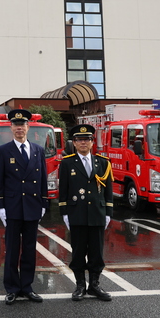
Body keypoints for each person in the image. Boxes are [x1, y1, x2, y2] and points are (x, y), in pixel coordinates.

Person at [0, 109, 48, 305]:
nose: (19, 128)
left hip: (32, 206)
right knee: (12, 249)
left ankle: (27, 287)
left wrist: (44, 201)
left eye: (22, 125)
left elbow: (43, 179)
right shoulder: (3, 151)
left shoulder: (38, 150)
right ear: (11, 127)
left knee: (30, 249)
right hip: (13, 207)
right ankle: (12, 288)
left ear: (28, 127)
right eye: (15, 125)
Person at [59, 124, 114, 302]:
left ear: (92, 142)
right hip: (77, 214)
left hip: (97, 213)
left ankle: (95, 285)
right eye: (79, 140)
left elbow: (108, 191)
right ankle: (80, 285)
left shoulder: (103, 162)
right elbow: (64, 191)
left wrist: (108, 212)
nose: (83, 142)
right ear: (73, 143)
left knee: (97, 253)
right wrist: (64, 212)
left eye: (87, 139)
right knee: (78, 252)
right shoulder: (67, 163)